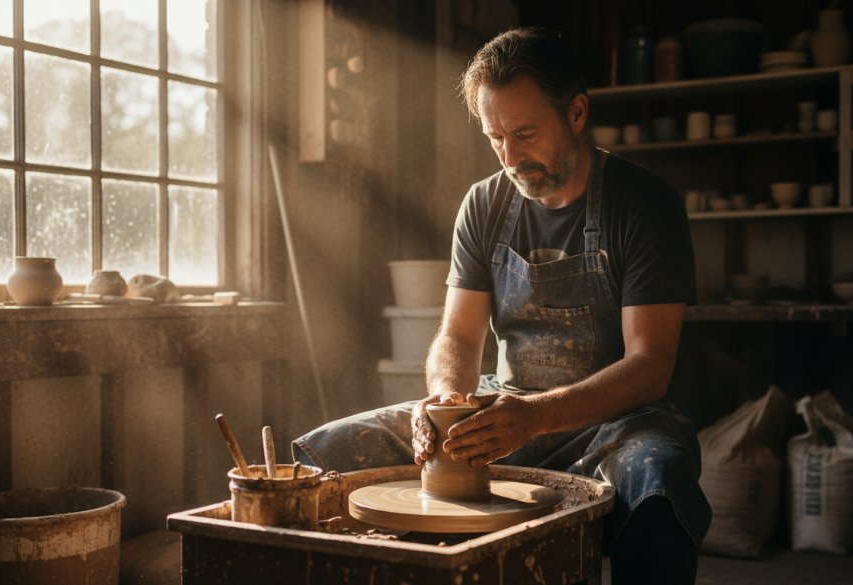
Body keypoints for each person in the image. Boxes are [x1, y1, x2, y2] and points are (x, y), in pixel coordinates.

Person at [293, 26, 710, 584]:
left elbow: (649, 367)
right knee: (327, 452)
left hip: (616, 423)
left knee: (658, 480)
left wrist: (534, 417)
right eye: (495, 138)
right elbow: (458, 338)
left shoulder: (644, 204)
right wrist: (447, 400)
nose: (511, 157)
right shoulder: (485, 204)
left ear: (578, 113)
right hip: (505, 406)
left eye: (527, 133)